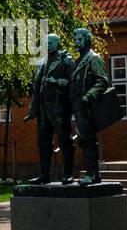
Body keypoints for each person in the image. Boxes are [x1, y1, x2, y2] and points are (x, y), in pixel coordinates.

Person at [23, 32, 74, 183]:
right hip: (43, 109)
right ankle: (45, 175)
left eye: (50, 43)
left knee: (64, 140)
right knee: (43, 142)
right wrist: (32, 111)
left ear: (57, 44)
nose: (47, 46)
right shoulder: (42, 62)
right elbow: (36, 88)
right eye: (45, 44)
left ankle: (68, 173)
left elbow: (74, 82)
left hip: (58, 107)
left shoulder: (66, 60)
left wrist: (58, 82)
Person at [67, 27, 109, 185]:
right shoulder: (79, 61)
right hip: (79, 107)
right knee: (84, 140)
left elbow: (102, 81)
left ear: (87, 40)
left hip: (88, 106)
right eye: (75, 39)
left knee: (88, 140)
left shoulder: (93, 58)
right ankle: (93, 174)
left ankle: (92, 174)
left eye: (79, 39)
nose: (76, 42)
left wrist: (88, 96)